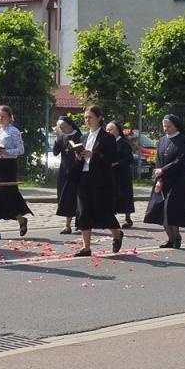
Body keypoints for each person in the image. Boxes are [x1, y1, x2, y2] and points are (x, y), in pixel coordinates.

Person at [70, 105, 123, 256]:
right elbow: (81, 158)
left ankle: (117, 234)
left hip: (100, 179)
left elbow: (112, 158)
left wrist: (93, 155)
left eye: (90, 117)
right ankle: (86, 248)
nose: (87, 120)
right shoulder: (83, 137)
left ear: (99, 118)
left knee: (103, 211)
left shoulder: (108, 137)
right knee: (83, 212)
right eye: (85, 117)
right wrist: (79, 156)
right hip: (84, 177)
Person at [0, 105, 31, 240]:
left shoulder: (14, 131)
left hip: (8, 165)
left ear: (10, 118)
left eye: (4, 116)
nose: (1, 119)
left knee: (7, 194)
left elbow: (20, 150)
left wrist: (6, 151)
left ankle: (21, 219)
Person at [144, 113, 185, 248]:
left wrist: (164, 170)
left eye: (168, 126)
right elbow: (158, 160)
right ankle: (170, 239)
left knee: (170, 209)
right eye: (164, 126)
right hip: (163, 180)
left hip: (178, 180)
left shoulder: (183, 141)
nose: (166, 129)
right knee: (160, 210)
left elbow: (181, 161)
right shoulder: (162, 140)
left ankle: (177, 237)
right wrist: (159, 179)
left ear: (176, 126)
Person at [51, 117, 82, 234]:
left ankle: (79, 222)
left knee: (76, 197)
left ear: (70, 125)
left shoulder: (79, 135)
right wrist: (57, 139)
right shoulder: (62, 136)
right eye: (59, 127)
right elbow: (55, 152)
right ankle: (67, 225)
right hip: (64, 170)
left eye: (62, 127)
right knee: (65, 197)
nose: (61, 129)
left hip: (76, 170)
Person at [108, 121, 137, 229]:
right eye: (107, 129)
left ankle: (127, 218)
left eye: (111, 129)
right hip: (111, 174)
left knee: (125, 196)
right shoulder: (108, 143)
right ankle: (111, 217)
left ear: (117, 131)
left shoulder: (123, 144)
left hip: (122, 174)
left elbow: (130, 159)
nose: (108, 131)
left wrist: (117, 163)